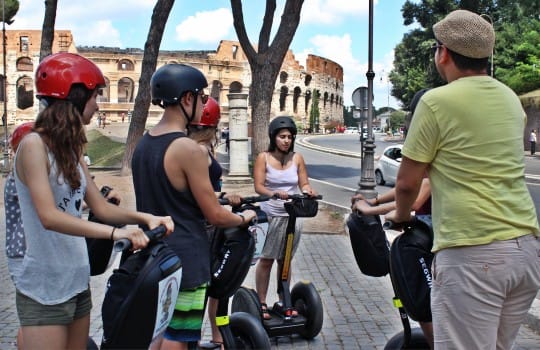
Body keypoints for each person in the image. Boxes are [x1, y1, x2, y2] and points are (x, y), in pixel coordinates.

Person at [387, 10, 540, 349]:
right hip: (526, 251)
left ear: (443, 52)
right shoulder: (510, 100)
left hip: (474, 255)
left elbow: (407, 184)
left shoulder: (437, 101)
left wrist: (400, 215)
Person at [12, 52, 174, 350]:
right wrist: (117, 233)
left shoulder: (72, 150)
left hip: (76, 279)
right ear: (75, 97)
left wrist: (145, 218)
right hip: (44, 288)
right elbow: (49, 216)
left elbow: (99, 208)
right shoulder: (33, 145)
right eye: (95, 95)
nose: (98, 103)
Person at [131, 63, 256, 350]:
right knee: (179, 336)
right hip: (186, 258)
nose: (204, 104)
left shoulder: (143, 145)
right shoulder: (188, 150)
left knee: (157, 333)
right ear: (187, 99)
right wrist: (244, 218)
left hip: (153, 257)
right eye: (201, 98)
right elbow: (213, 213)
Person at [352, 88, 434, 348]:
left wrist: (371, 211)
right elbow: (403, 189)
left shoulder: (440, 156)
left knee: (427, 304)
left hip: (437, 240)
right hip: (425, 236)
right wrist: (373, 201)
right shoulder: (428, 153)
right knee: (422, 302)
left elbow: (413, 200)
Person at [188, 96, 241, 350]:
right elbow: (197, 194)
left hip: (212, 221)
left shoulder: (200, 148)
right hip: (206, 226)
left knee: (218, 288)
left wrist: (222, 196)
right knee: (210, 288)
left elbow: (203, 190)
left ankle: (217, 335)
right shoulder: (196, 150)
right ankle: (198, 338)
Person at [253, 116, 317, 320]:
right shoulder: (263, 157)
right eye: (282, 137)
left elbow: (304, 183)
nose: (286, 140)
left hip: (292, 217)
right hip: (271, 216)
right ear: (274, 137)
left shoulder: (297, 158)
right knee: (267, 260)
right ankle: (262, 302)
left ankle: (283, 300)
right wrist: (273, 193)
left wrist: (308, 191)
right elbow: (259, 185)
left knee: (285, 260)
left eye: (289, 137)